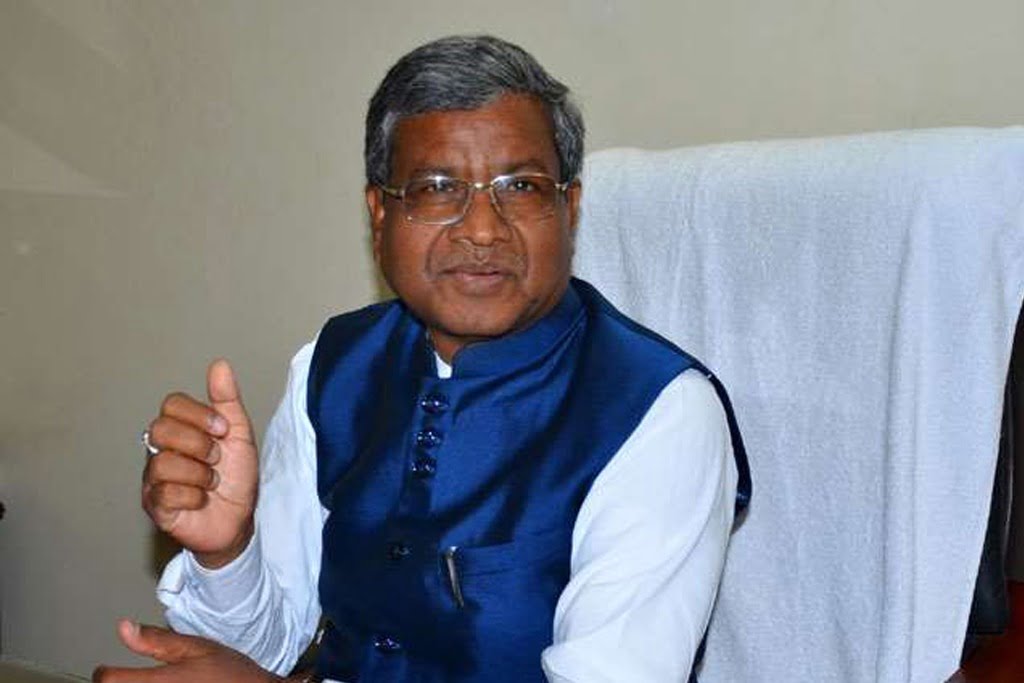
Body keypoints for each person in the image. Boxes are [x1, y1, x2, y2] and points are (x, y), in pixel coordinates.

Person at [94, 35, 750, 683]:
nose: (483, 229)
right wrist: (227, 552)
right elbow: (263, 648)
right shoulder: (333, 367)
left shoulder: (656, 412)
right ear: (379, 214)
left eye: (521, 186)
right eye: (437, 187)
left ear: (568, 208)